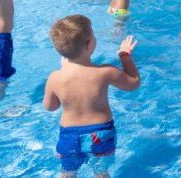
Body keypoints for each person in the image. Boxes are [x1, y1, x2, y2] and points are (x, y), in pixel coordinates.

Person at [43, 15, 140, 177]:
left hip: (69, 136)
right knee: (101, 173)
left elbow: (50, 106)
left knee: (68, 173)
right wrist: (125, 56)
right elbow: (133, 83)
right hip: (100, 135)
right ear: (89, 44)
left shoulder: (55, 77)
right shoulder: (105, 72)